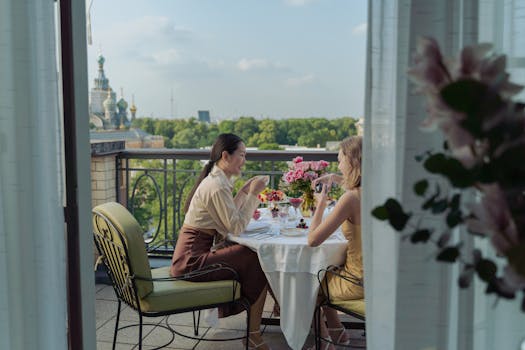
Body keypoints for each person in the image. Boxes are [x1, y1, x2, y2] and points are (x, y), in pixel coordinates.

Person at [170, 133, 271, 350]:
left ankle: (262, 321)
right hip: (190, 262)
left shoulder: (217, 181)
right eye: (242, 155)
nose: (244, 160)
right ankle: (253, 334)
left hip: (191, 257)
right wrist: (253, 195)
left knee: (251, 255)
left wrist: (244, 191)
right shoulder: (216, 185)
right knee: (257, 259)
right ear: (225, 155)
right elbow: (234, 227)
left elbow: (227, 222)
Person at [307, 136, 364, 350]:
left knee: (310, 282)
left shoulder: (350, 199)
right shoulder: (381, 192)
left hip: (357, 283)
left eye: (340, 160)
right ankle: (337, 332)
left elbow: (313, 240)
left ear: (352, 161)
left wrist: (320, 204)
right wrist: (336, 178)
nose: (338, 165)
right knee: (328, 271)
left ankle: (324, 343)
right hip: (380, 279)